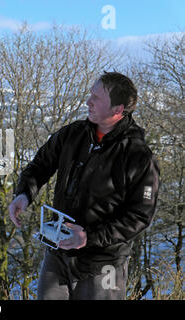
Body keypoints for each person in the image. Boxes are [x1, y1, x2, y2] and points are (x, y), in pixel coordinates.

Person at [8, 71, 160, 300]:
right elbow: (40, 165)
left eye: (96, 98)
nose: (88, 101)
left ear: (117, 110)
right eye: (90, 94)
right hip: (58, 252)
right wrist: (24, 195)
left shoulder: (138, 156)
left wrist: (89, 237)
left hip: (104, 264)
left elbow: (140, 216)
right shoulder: (74, 134)